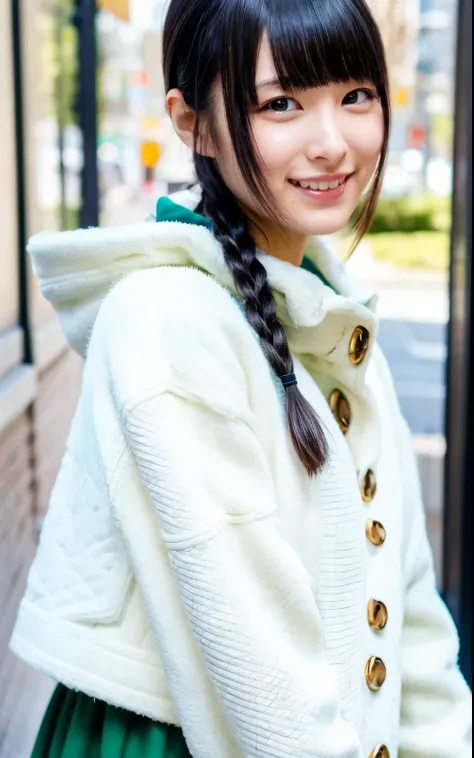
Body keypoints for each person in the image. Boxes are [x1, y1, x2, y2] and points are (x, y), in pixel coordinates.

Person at [10, 0, 472, 756]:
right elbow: (264, 689)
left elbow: (412, 616)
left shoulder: (334, 320)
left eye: (355, 94)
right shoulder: (166, 320)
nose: (332, 142)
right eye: (282, 103)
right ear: (192, 122)